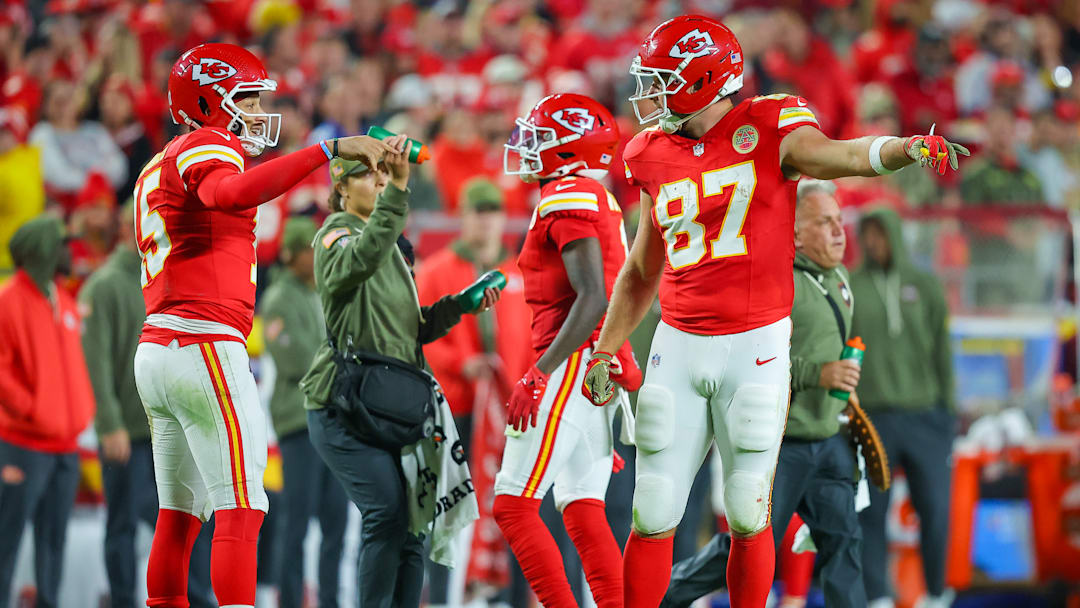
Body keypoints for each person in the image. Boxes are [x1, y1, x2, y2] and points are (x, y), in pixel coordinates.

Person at [579, 14, 968, 608]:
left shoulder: (768, 123)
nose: (651, 93)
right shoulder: (649, 153)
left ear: (703, 80)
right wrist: (606, 348)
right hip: (677, 342)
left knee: (746, 508)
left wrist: (903, 148)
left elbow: (838, 155)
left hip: (754, 344)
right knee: (652, 507)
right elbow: (639, 269)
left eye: (663, 79)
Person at [132, 42, 398, 608]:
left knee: (179, 514)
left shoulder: (159, 162)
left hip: (160, 346)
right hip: (202, 342)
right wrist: (324, 150)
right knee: (242, 507)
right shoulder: (206, 144)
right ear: (208, 102)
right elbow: (228, 193)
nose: (257, 112)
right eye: (247, 100)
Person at [299, 151, 500, 608]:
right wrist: (399, 190)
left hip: (390, 403)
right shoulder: (335, 235)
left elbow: (410, 330)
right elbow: (361, 258)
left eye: (382, 175)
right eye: (366, 176)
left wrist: (459, 305)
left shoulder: (389, 244)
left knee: (413, 526)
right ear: (341, 188)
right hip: (342, 405)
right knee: (387, 514)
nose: (379, 181)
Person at [660, 180, 868, 608]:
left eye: (838, 219)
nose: (838, 230)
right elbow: (749, 356)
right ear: (794, 233)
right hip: (779, 446)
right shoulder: (774, 282)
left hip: (826, 436)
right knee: (748, 545)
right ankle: (664, 595)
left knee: (844, 542)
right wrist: (817, 374)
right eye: (823, 222)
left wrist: (843, 394)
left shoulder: (839, 278)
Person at [495, 92, 642, 608]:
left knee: (513, 505)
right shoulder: (592, 194)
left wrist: (540, 373)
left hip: (574, 361)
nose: (526, 147)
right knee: (582, 509)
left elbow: (593, 295)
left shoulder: (567, 193)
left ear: (568, 148)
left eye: (539, 138)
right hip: (595, 363)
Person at [80, 202, 214, 608]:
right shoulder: (104, 286)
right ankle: (124, 599)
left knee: (190, 516)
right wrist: (109, 425)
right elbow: (95, 364)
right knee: (124, 521)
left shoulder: (169, 279)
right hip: (130, 429)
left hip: (174, 425)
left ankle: (192, 598)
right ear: (129, 229)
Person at [414, 177, 533, 600]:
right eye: (478, 212)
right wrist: (461, 363)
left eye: (493, 212)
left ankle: (505, 595)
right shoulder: (436, 271)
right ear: (462, 216)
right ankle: (444, 596)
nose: (486, 221)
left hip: (511, 413)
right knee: (448, 507)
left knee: (514, 508)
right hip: (453, 406)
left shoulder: (520, 273)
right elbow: (418, 337)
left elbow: (533, 339)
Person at [851, 207, 955, 608]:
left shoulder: (924, 285)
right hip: (873, 418)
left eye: (880, 233)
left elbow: (942, 351)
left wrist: (947, 411)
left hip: (926, 415)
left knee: (936, 508)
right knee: (871, 512)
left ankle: (936, 594)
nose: (873, 242)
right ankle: (877, 596)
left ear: (894, 234)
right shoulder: (852, 285)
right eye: (868, 234)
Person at [0, 215, 95, 608]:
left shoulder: (63, 299)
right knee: (6, 541)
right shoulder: (7, 300)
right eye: (62, 245)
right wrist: (32, 409)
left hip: (65, 447)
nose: (69, 253)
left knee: (53, 543)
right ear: (43, 251)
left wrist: (79, 412)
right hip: (22, 445)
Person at [260, 217, 348, 608]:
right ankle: (290, 600)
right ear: (290, 255)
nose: (315, 258)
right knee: (296, 522)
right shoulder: (277, 299)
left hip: (333, 421)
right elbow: (295, 359)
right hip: (299, 422)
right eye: (308, 252)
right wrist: (339, 363)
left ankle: (329, 600)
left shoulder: (320, 294)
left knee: (336, 520)